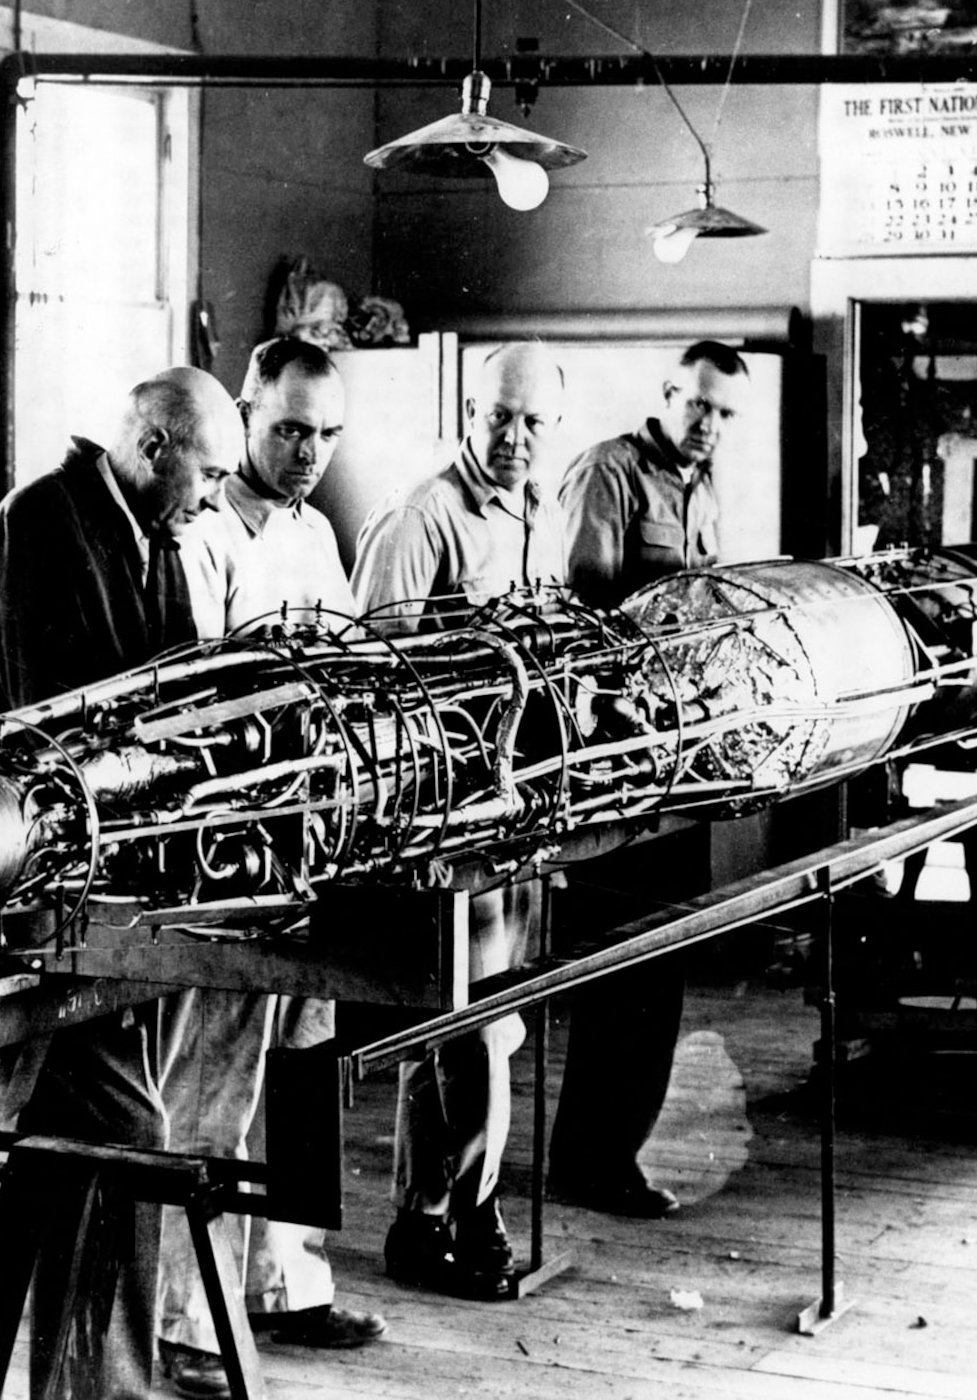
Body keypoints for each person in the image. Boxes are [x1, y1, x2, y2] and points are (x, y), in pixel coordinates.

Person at [0, 366, 241, 1400]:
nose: (215, 497)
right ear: (152, 450)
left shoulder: (151, 536)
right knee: (1, 1167)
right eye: (209, 474)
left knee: (92, 1150)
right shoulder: (41, 528)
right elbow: (82, 730)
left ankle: (79, 1388)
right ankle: (16, 1390)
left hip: (86, 897)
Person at [156, 336, 385, 1399]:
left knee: (300, 1064)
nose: (308, 452)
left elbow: (344, 665)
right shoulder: (206, 536)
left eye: (326, 434)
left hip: (313, 838)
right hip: (232, 848)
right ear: (246, 413)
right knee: (217, 1076)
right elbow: (195, 705)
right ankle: (184, 1318)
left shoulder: (314, 530)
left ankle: (286, 1285)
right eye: (290, 428)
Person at [349, 341, 566, 1300]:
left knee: (488, 1021)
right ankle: (462, 1215)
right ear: (466, 413)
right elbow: (372, 681)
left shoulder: (538, 514)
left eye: (532, 423)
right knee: (462, 1028)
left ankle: (431, 1212)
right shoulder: (422, 518)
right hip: (447, 819)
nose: (513, 439)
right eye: (497, 418)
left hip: (519, 809)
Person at [549, 339, 751, 1219]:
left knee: (661, 964)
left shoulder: (701, 486)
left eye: (724, 413)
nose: (709, 425)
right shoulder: (610, 473)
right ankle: (587, 1161)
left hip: (683, 758)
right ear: (667, 394)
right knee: (616, 969)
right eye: (698, 405)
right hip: (617, 765)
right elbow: (581, 616)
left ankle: (613, 1154)